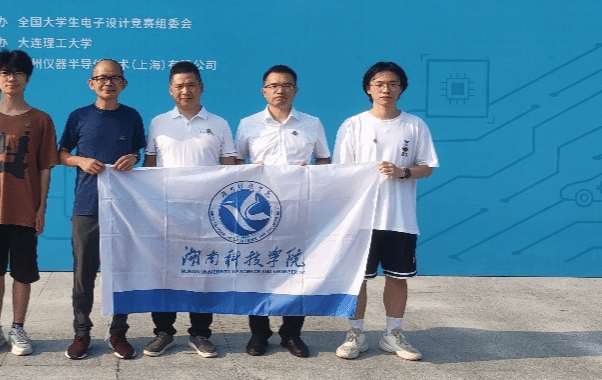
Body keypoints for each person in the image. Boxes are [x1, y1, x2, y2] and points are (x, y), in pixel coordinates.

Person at [333, 61, 438, 361]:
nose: (385, 89)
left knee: (397, 277)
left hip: (399, 217)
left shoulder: (414, 125)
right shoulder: (353, 125)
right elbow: (340, 172)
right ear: (368, 88)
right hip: (361, 218)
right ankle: (356, 333)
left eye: (392, 83)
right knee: (358, 278)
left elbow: (427, 167)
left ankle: (393, 334)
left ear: (401, 88)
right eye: (379, 83)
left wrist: (402, 172)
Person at [0, 49, 59, 357]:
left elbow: (45, 168)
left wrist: (41, 208)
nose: (11, 78)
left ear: (27, 78)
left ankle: (18, 328)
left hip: (25, 210)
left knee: (22, 273)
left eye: (18, 72)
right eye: (4, 73)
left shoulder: (41, 120)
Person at [142, 61, 239, 358]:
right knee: (164, 273)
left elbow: (230, 169)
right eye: (179, 86)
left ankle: (200, 333)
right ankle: (163, 332)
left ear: (201, 87)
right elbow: (149, 166)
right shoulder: (159, 123)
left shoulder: (219, 124)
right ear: (171, 90)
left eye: (191, 85)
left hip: (206, 215)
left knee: (202, 273)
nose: (186, 91)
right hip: (166, 214)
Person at [234, 64, 331, 358]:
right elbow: (235, 164)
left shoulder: (312, 123)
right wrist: (251, 170)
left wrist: (311, 172)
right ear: (264, 91)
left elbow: (325, 161)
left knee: (296, 270)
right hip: (259, 213)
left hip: (299, 209)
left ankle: (291, 333)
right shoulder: (248, 124)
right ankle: (259, 333)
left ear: (295, 90)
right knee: (257, 270)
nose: (280, 90)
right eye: (273, 86)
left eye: (286, 85)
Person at [59, 59, 146, 360]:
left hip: (123, 207)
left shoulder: (131, 116)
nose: (108, 83)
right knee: (83, 275)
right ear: (91, 83)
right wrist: (80, 160)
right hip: (87, 206)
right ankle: (81, 333)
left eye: (114, 78)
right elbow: (62, 153)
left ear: (124, 83)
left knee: (120, 272)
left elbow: (137, 151)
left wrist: (133, 157)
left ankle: (118, 332)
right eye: (101, 78)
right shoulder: (79, 116)